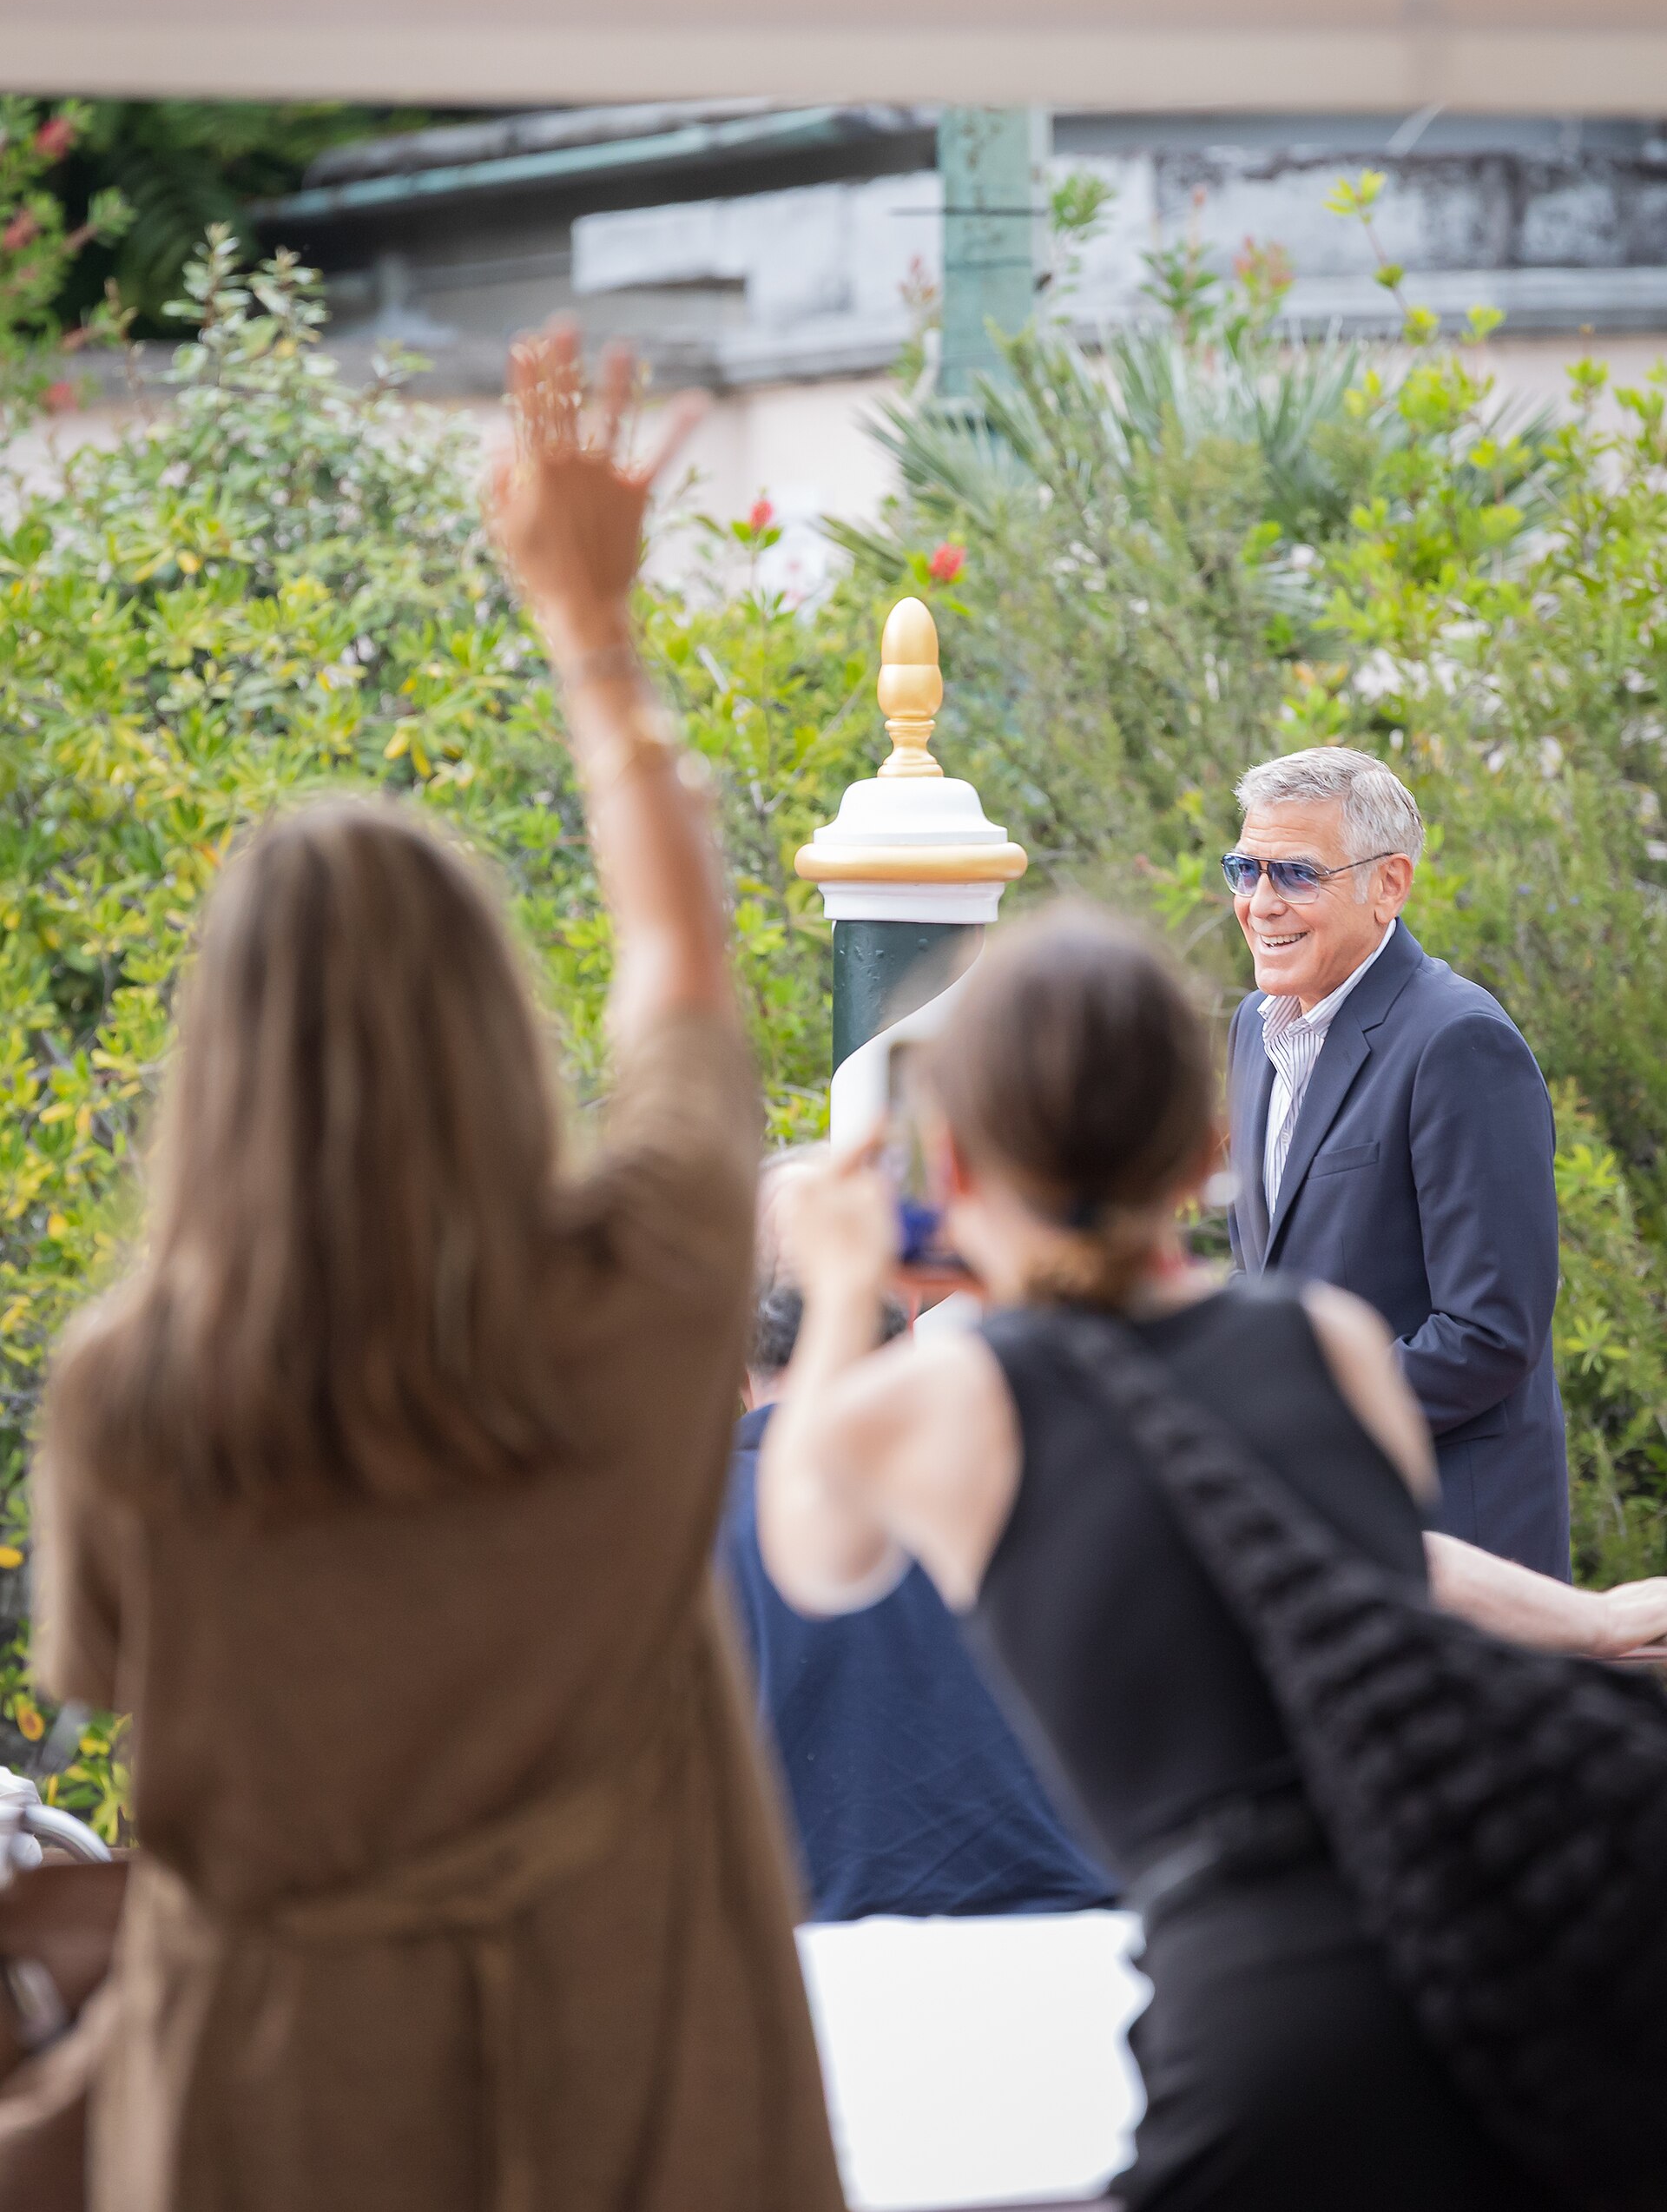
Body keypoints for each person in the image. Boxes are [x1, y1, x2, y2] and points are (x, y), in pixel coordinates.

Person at [30, 326, 846, 2212]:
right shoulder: (639, 1290)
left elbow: (116, 1678)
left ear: (210, 1068)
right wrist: (590, 628)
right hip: (633, 2066)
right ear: (496, 1026)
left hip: (278, 2102)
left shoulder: (127, 1396)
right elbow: (683, 970)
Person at [755, 903, 1667, 2210]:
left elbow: (815, 1547)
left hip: (1261, 2008)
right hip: (1479, 1946)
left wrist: (847, 1288)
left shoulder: (958, 1396)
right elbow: (1373, 1563)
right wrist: (1586, 1620)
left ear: (949, 1162)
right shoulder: (1335, 1338)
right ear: (1209, 1150)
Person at [1222, 746, 1571, 1576]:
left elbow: (1489, 1332)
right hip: (1311, 1535)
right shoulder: (1252, 1026)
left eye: (1296, 875)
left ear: (1390, 884)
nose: (1259, 904)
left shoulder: (1458, 1041)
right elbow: (1268, 1272)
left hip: (1455, 1545)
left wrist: (1295, 1412)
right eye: (1245, 869)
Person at [719, 1281, 1117, 1921]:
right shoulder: (1037, 1476)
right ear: (906, 1344)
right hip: (1064, 1928)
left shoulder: (683, 1530)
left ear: (741, 1375)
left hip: (804, 1942)